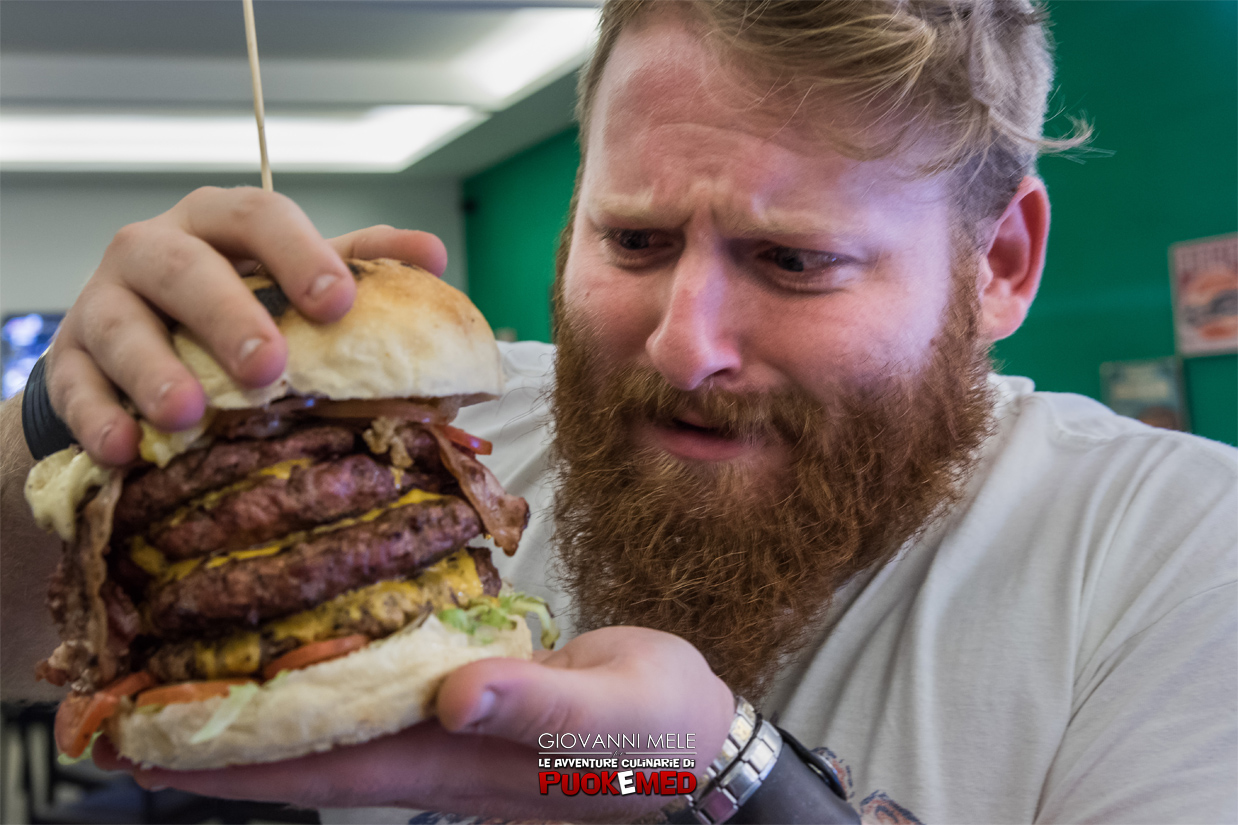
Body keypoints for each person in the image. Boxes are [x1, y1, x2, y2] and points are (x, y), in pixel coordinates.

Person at [2, 1, 1235, 822]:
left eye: (792, 261)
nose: (680, 345)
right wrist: (76, 420)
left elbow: (639, 778)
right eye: (633, 239)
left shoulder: (1175, 554)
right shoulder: (445, 435)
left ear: (1000, 266)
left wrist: (720, 785)